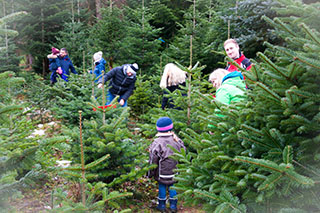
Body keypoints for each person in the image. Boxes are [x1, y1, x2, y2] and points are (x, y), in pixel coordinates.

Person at [147, 117, 186, 212]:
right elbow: (183, 153)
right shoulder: (177, 140)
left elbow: (153, 159)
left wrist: (150, 172)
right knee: (173, 187)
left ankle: (162, 206)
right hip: (175, 171)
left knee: (162, 187)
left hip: (161, 173)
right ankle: (173, 206)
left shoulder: (157, 142)